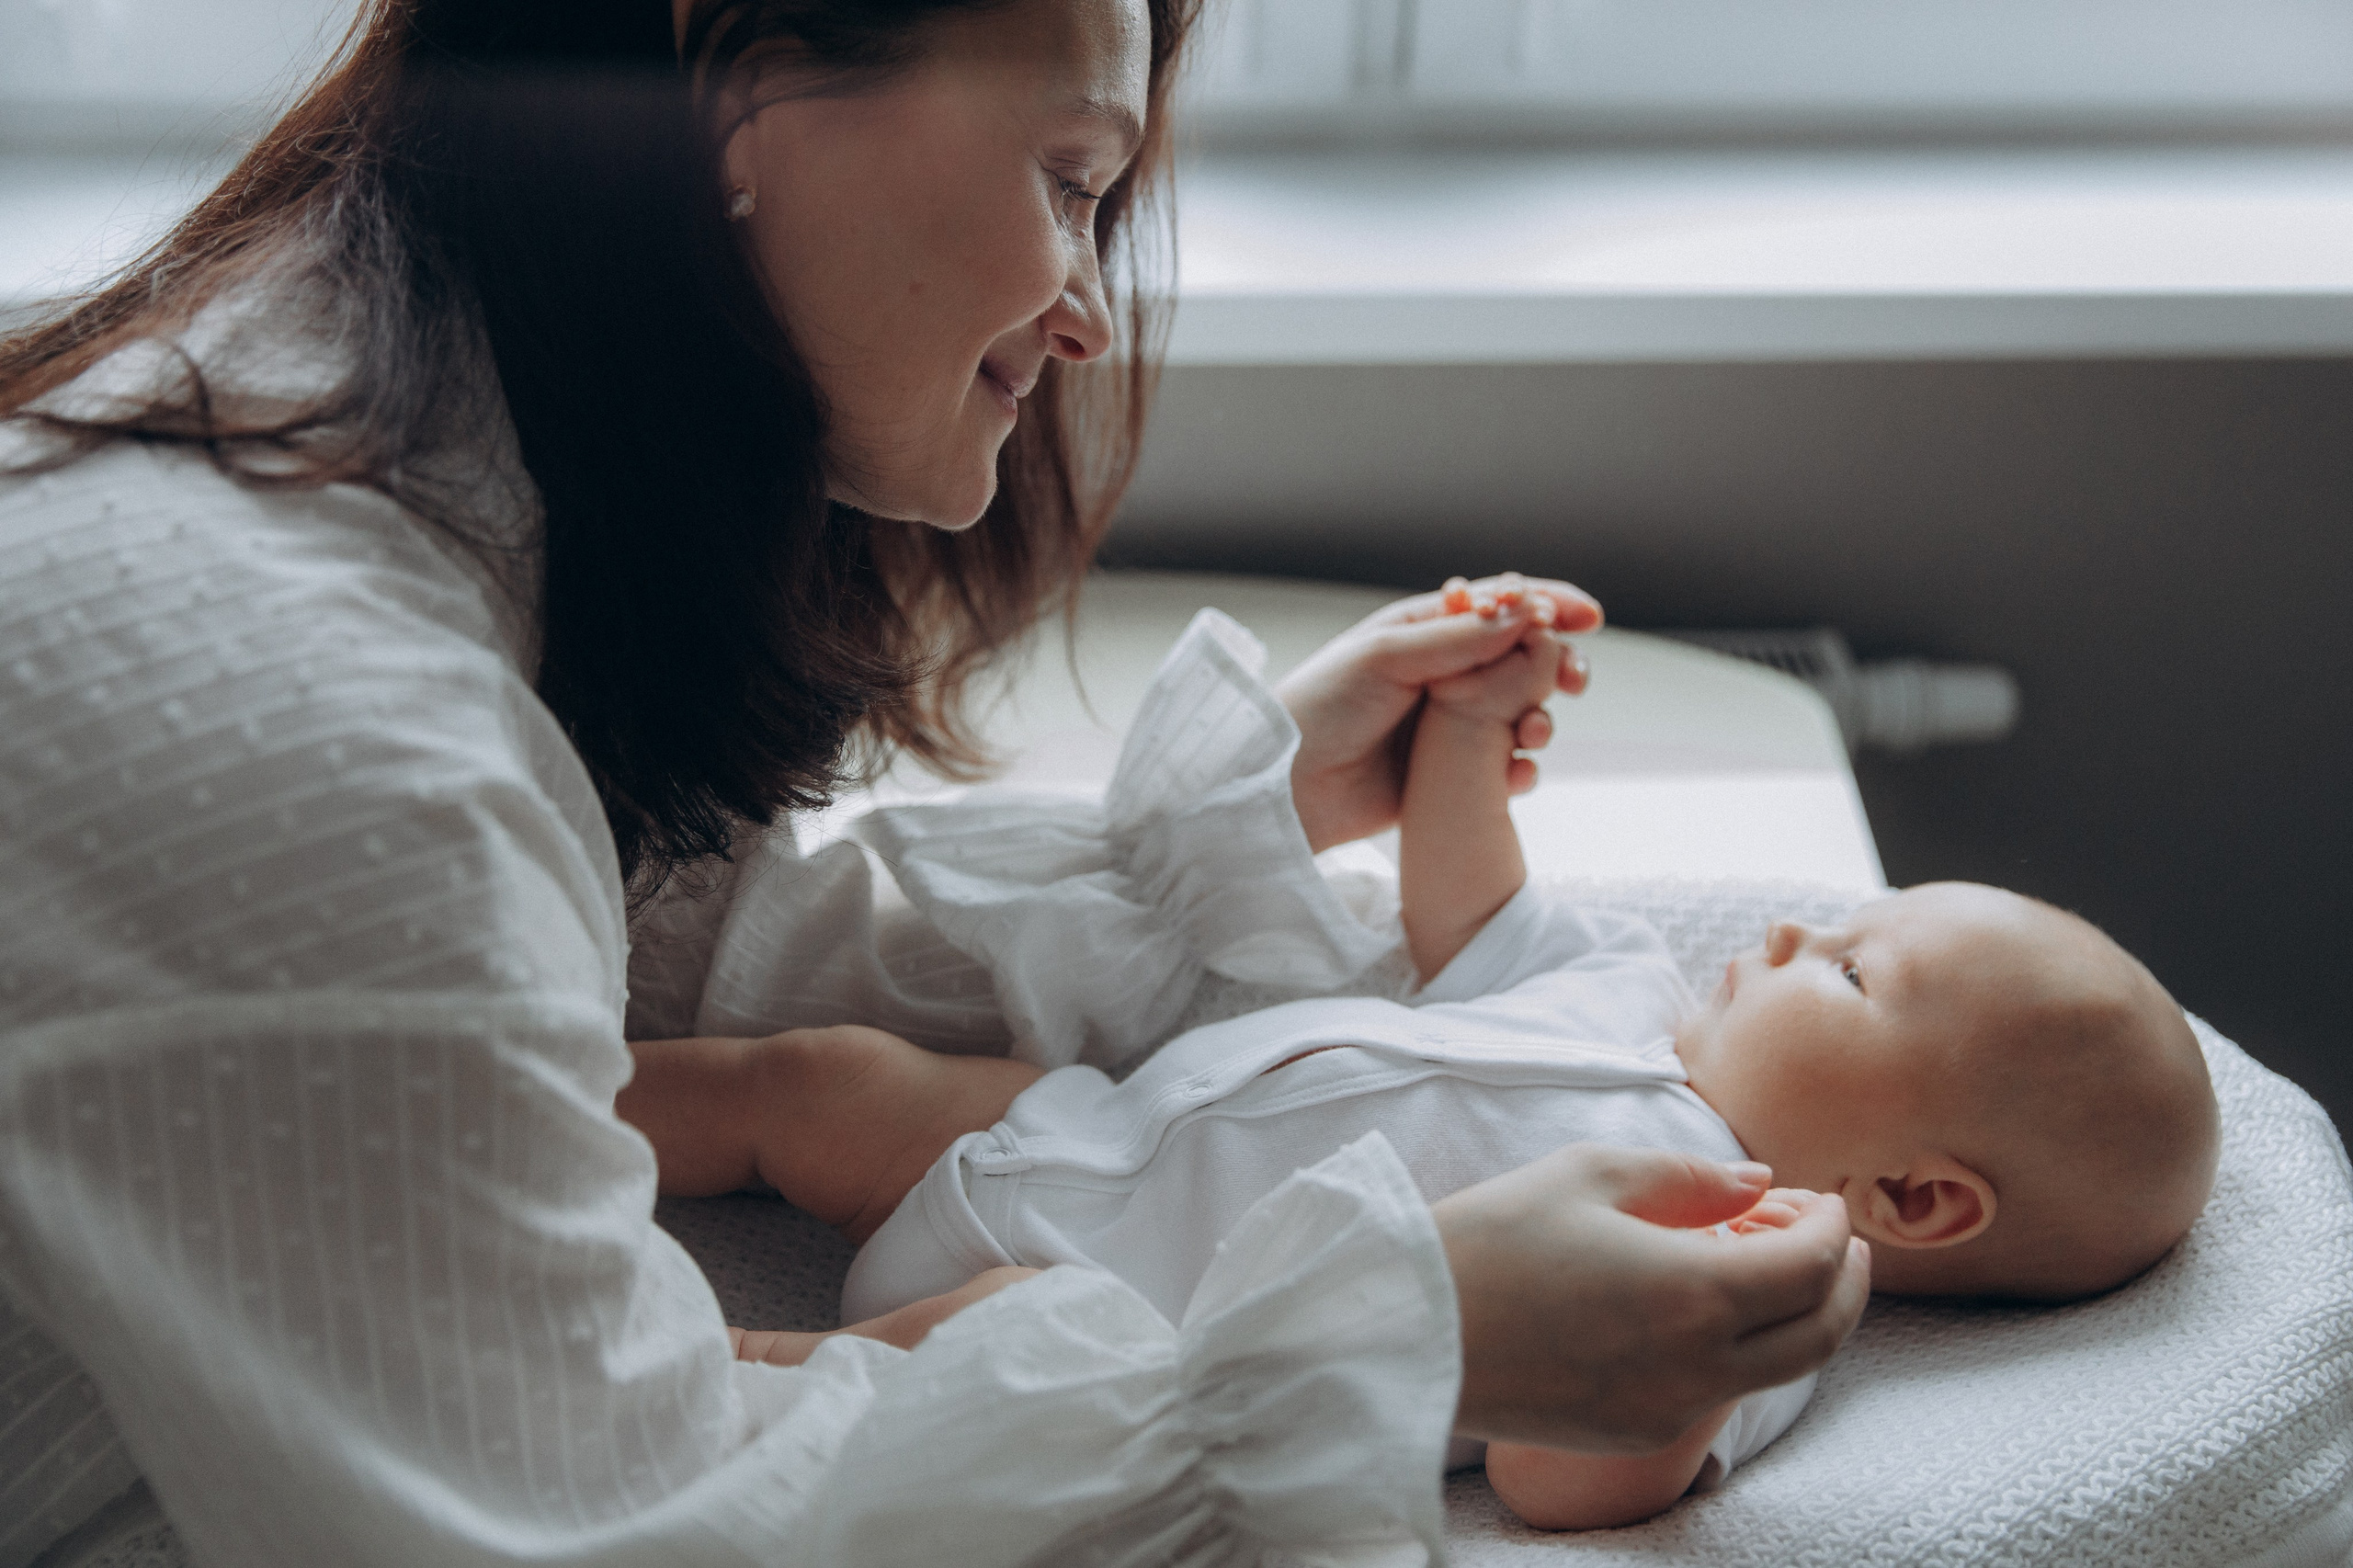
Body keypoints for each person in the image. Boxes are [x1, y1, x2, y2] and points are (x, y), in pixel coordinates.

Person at [0, 2, 1869, 1563]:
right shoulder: (304, 720)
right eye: (1071, 183)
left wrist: (1220, 842)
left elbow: (644, 943)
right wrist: (1404, 1341)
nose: (1084, 317)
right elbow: (614, 1526)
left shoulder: (413, 471)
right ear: (736, 83)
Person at [620, 597, 2220, 1531]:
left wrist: (1698, 1375)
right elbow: (1477, 909)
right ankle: (557, 1105)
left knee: (993, 1345)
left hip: (1120, 1299)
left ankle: (734, 1371)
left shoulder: (1747, 1287)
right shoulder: (1626, 994)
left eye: (1860, 969)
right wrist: (1468, 726)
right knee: (816, 1075)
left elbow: (1562, 1477)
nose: (1801, 935)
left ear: (1917, 1195)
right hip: (1064, 1128)